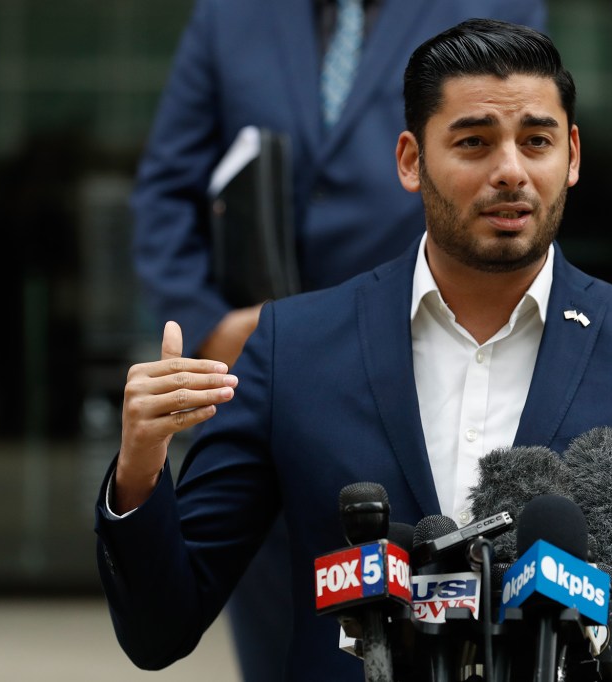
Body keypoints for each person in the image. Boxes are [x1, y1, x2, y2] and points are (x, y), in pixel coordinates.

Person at [99, 19, 612, 681]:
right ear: (411, 161)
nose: (511, 171)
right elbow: (161, 629)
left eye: (536, 141)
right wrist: (140, 470)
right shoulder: (293, 349)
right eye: (474, 142)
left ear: (573, 156)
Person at [130, 2, 545, 678]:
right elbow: (165, 192)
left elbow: (508, 166)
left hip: (416, 368)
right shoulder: (231, 16)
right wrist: (213, 325)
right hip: (262, 377)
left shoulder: (490, 5)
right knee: (289, 645)